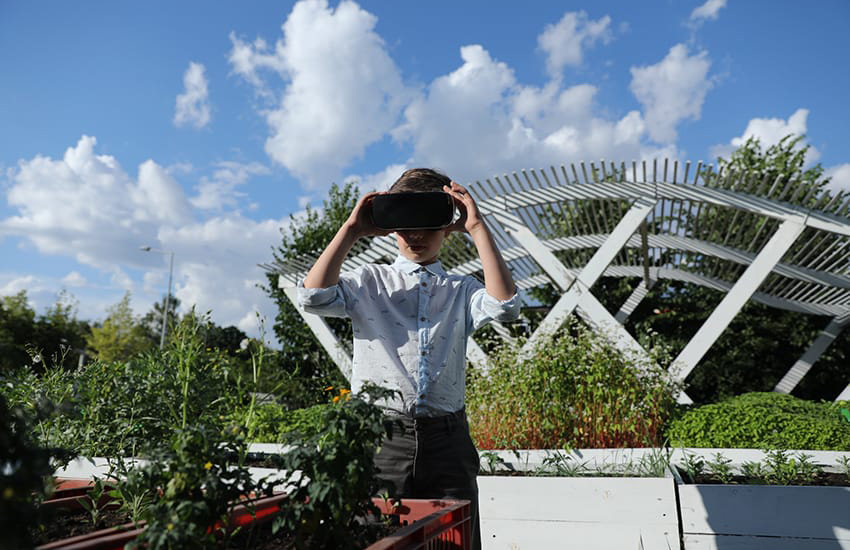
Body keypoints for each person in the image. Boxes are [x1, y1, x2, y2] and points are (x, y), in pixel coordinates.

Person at [297, 168, 519, 549]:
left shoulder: (461, 289)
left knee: (455, 540)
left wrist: (478, 227)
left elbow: (505, 307)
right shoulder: (368, 281)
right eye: (405, 225)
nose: (415, 235)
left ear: (447, 227)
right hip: (381, 437)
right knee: (378, 539)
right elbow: (313, 297)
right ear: (390, 227)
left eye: (428, 225)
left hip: (447, 440)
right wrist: (351, 229)